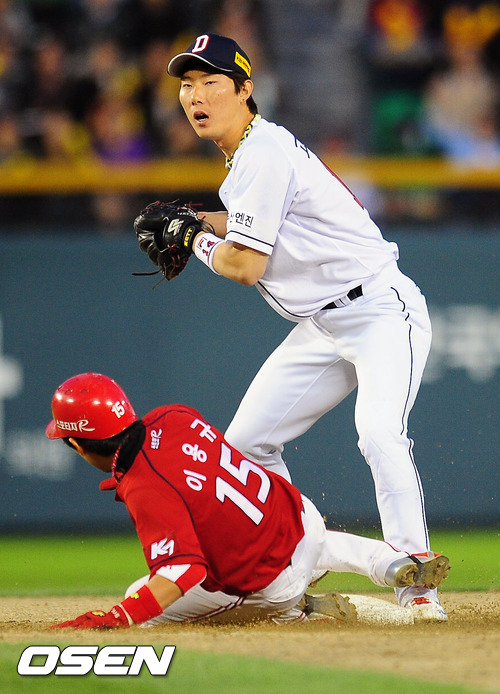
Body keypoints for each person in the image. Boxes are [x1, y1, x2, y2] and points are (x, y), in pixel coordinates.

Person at [157, 32, 448, 623]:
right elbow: (258, 220)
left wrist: (194, 237)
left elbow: (245, 265)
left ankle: (418, 586)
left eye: (212, 82)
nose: (196, 95)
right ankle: (301, 553)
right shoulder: (251, 154)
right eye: (187, 84)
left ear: (245, 89)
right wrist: (200, 219)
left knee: (379, 434)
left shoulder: (261, 152)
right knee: (244, 450)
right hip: (323, 324)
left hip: (379, 309)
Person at [46, 373, 449, 629]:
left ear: (78, 444)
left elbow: (182, 571)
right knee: (296, 536)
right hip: (299, 516)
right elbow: (195, 484)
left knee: (143, 596)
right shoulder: (173, 416)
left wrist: (121, 616)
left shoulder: (145, 488)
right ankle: (389, 561)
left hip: (274, 580)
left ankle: (299, 612)